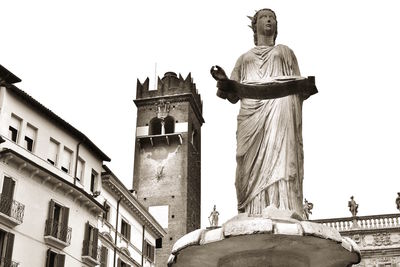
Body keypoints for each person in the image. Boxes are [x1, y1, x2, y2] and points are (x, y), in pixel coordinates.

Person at [211, 9, 317, 215]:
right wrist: (224, 81)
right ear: (254, 25)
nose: (269, 20)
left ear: (277, 26)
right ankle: (254, 208)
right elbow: (232, 96)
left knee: (282, 154)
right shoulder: (244, 58)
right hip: (251, 111)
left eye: (272, 17)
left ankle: (283, 206)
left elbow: (298, 88)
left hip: (281, 107)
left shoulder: (285, 51)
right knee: (246, 160)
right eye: (263, 17)